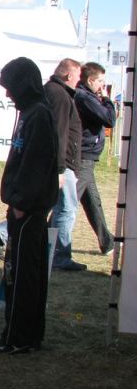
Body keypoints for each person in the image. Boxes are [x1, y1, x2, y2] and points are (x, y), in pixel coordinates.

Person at [0, 57, 57, 355]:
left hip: (28, 208)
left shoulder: (38, 115)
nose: (7, 94)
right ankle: (29, 334)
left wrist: (21, 203)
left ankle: (16, 337)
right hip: (25, 206)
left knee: (21, 275)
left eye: (11, 87)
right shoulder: (31, 112)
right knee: (28, 273)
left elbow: (37, 163)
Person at [44, 58, 84, 271]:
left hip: (62, 162)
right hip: (62, 163)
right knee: (66, 208)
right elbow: (59, 133)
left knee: (49, 203)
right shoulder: (59, 95)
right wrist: (61, 168)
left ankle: (3, 233)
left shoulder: (55, 92)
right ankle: (60, 255)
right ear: (69, 75)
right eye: (78, 76)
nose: (79, 80)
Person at [75, 62, 116, 255]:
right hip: (82, 157)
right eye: (100, 81)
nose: (102, 84)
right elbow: (109, 119)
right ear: (91, 80)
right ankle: (5, 231)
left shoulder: (88, 96)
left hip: (88, 158)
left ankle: (107, 242)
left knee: (93, 201)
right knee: (63, 203)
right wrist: (107, 99)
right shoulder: (85, 97)